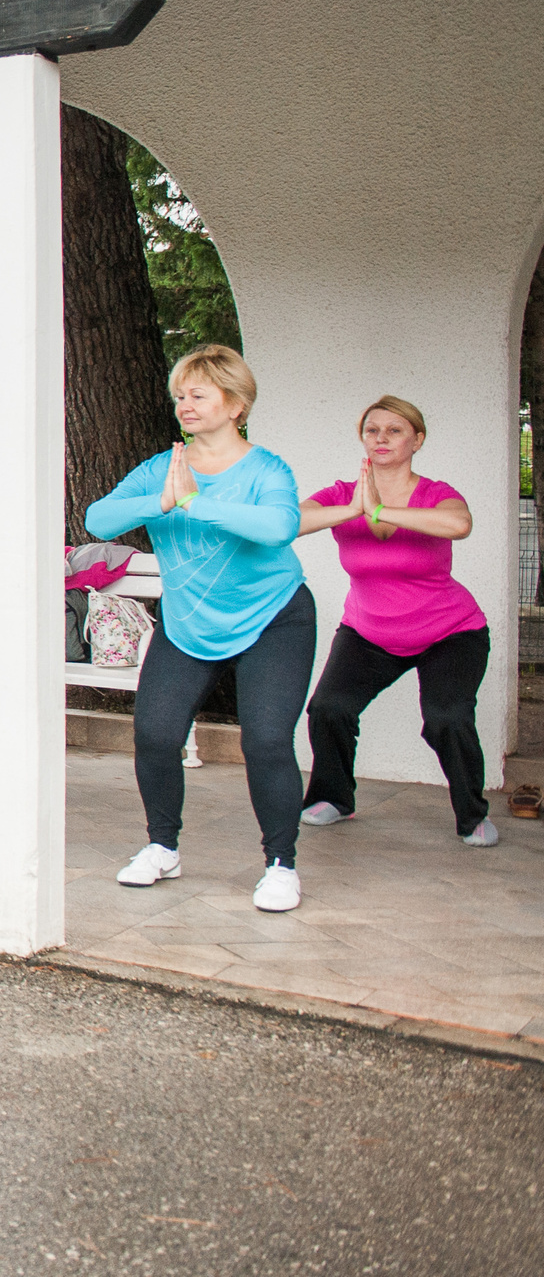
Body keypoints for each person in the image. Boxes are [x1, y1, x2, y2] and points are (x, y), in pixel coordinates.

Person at [85, 345, 313, 913]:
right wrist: (161, 499)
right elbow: (97, 519)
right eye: (180, 395)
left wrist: (195, 502)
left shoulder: (266, 469)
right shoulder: (160, 469)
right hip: (188, 623)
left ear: (236, 405)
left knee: (265, 741)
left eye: (199, 395)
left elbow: (280, 526)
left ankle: (281, 865)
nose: (184, 404)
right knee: (155, 734)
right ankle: (163, 847)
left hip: (273, 617)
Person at [295, 396, 496, 847]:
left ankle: (472, 816)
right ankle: (334, 798)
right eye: (372, 430)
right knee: (329, 708)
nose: (381, 438)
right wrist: (352, 508)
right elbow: (291, 522)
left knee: (447, 718)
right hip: (369, 631)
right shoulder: (342, 494)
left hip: (450, 631)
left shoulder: (436, 494)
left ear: (416, 440)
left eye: (395, 430)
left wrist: (378, 511)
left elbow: (459, 524)